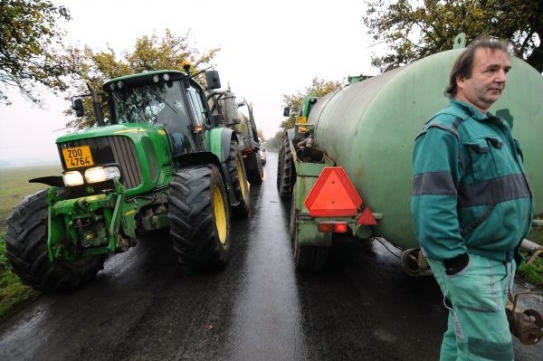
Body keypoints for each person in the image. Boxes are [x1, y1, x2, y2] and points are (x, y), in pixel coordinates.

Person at [411, 38, 534, 361]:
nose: (501, 77)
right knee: (491, 352)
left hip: (497, 259)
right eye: (490, 69)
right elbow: (431, 205)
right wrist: (456, 263)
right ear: (461, 79)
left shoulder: (493, 127)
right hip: (472, 261)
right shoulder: (445, 130)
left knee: (461, 339)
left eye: (505, 70)